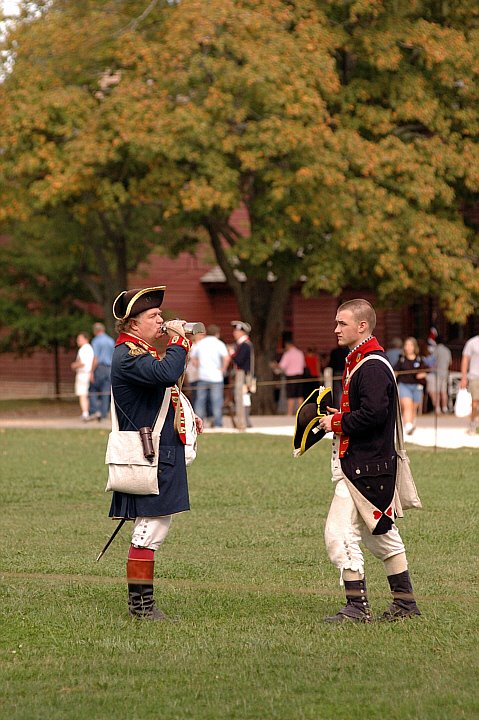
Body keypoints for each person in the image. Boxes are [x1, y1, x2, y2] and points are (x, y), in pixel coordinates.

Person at [319, 299, 421, 623]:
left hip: (363, 467)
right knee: (381, 534)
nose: (336, 329)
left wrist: (336, 423)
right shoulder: (363, 360)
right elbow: (368, 411)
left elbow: (375, 415)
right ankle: (405, 605)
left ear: (362, 326)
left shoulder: (372, 365)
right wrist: (343, 416)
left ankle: (356, 607)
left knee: (339, 533)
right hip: (371, 465)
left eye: (342, 323)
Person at [108, 286, 202, 620]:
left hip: (160, 450)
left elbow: (157, 396)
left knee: (154, 526)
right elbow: (165, 375)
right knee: (150, 529)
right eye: (153, 316)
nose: (161, 320)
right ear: (133, 325)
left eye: (160, 315)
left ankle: (142, 604)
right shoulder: (129, 355)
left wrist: (188, 417)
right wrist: (179, 340)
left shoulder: (140, 351)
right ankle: (141, 606)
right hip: (151, 455)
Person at [191, 324, 230, 428]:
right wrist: (223, 369)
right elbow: (226, 358)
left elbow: (193, 358)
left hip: (202, 376)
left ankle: (198, 424)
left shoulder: (200, 343)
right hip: (216, 376)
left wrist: (198, 366)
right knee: (216, 401)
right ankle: (217, 424)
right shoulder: (219, 343)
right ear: (217, 333)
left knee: (200, 401)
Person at [394, 337, 427, 435]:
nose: (408, 347)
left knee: (413, 408)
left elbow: (425, 371)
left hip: (417, 386)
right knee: (407, 406)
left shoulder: (420, 359)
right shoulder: (401, 359)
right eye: (407, 345)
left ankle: (410, 426)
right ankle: (408, 426)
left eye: (410, 345)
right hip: (404, 385)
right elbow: (395, 371)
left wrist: (423, 374)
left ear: (414, 347)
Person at [229, 320, 254, 430]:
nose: (235, 333)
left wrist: (231, 353)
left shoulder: (245, 345)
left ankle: (243, 422)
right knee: (242, 399)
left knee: (241, 398)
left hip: (243, 375)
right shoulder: (242, 344)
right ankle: (243, 421)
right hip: (242, 374)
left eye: (237, 331)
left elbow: (239, 360)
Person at [88, 322, 115, 421]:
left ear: (95, 331)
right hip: (109, 368)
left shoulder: (96, 341)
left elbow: (96, 358)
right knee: (105, 391)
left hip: (99, 368)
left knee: (93, 390)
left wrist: (91, 372)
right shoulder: (110, 340)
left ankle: (94, 411)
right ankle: (104, 413)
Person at [273, 335, 305, 415]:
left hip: (291, 376)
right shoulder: (300, 353)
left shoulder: (287, 354)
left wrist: (274, 365)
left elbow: (282, 365)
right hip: (300, 376)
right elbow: (304, 365)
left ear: (288, 345)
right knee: (299, 395)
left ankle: (290, 412)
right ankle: (300, 412)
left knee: (290, 395)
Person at [70, 332, 94, 421]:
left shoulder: (84, 349)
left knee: (82, 394)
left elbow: (82, 363)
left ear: (85, 339)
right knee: (85, 394)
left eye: (79, 339)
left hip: (83, 373)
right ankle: (87, 412)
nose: (77, 341)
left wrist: (74, 365)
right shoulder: (89, 348)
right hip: (86, 373)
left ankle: (85, 413)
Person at [426, 336, 452, 414]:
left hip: (437, 373)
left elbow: (432, 361)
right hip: (445, 372)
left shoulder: (437, 350)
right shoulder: (447, 350)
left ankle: (437, 408)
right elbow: (450, 362)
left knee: (437, 391)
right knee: (444, 391)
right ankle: (445, 408)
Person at [460, 333, 479, 434]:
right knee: (475, 403)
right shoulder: (472, 342)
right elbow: (465, 360)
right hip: (475, 377)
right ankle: (473, 424)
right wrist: (464, 377)